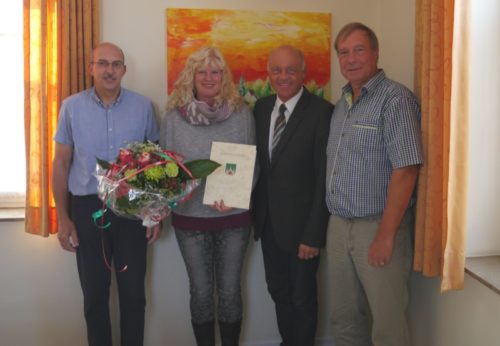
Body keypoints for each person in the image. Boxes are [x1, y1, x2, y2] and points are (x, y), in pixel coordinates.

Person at [52, 42, 161, 346]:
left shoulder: (143, 106)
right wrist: (63, 217)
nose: (109, 70)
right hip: (88, 210)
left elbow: (157, 164)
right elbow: (60, 163)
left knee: (133, 296)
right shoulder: (71, 107)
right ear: (91, 68)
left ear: (124, 70)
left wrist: (153, 213)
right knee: (95, 295)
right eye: (102, 63)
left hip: (132, 211)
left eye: (115, 64)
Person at [325, 22, 423, 346]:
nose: (351, 59)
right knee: (344, 320)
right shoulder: (342, 104)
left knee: (387, 326)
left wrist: (385, 235)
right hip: (339, 226)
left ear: (376, 52)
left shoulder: (395, 99)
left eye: (358, 50)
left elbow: (406, 169)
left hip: (378, 227)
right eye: (344, 52)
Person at [161, 46, 256, 346]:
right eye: (202, 71)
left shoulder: (242, 114)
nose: (209, 77)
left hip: (234, 218)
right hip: (190, 220)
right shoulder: (173, 118)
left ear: (223, 76)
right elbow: (166, 169)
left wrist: (237, 195)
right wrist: (178, 191)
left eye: (215, 71)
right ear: (192, 75)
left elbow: (252, 166)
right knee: (200, 291)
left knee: (229, 290)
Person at [253, 45, 333, 346]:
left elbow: (324, 176)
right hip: (268, 225)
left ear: (303, 72)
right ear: (268, 73)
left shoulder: (322, 112)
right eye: (276, 70)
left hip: (303, 231)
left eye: (290, 70)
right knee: (279, 292)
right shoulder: (260, 109)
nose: (283, 76)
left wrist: (313, 234)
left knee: (302, 297)